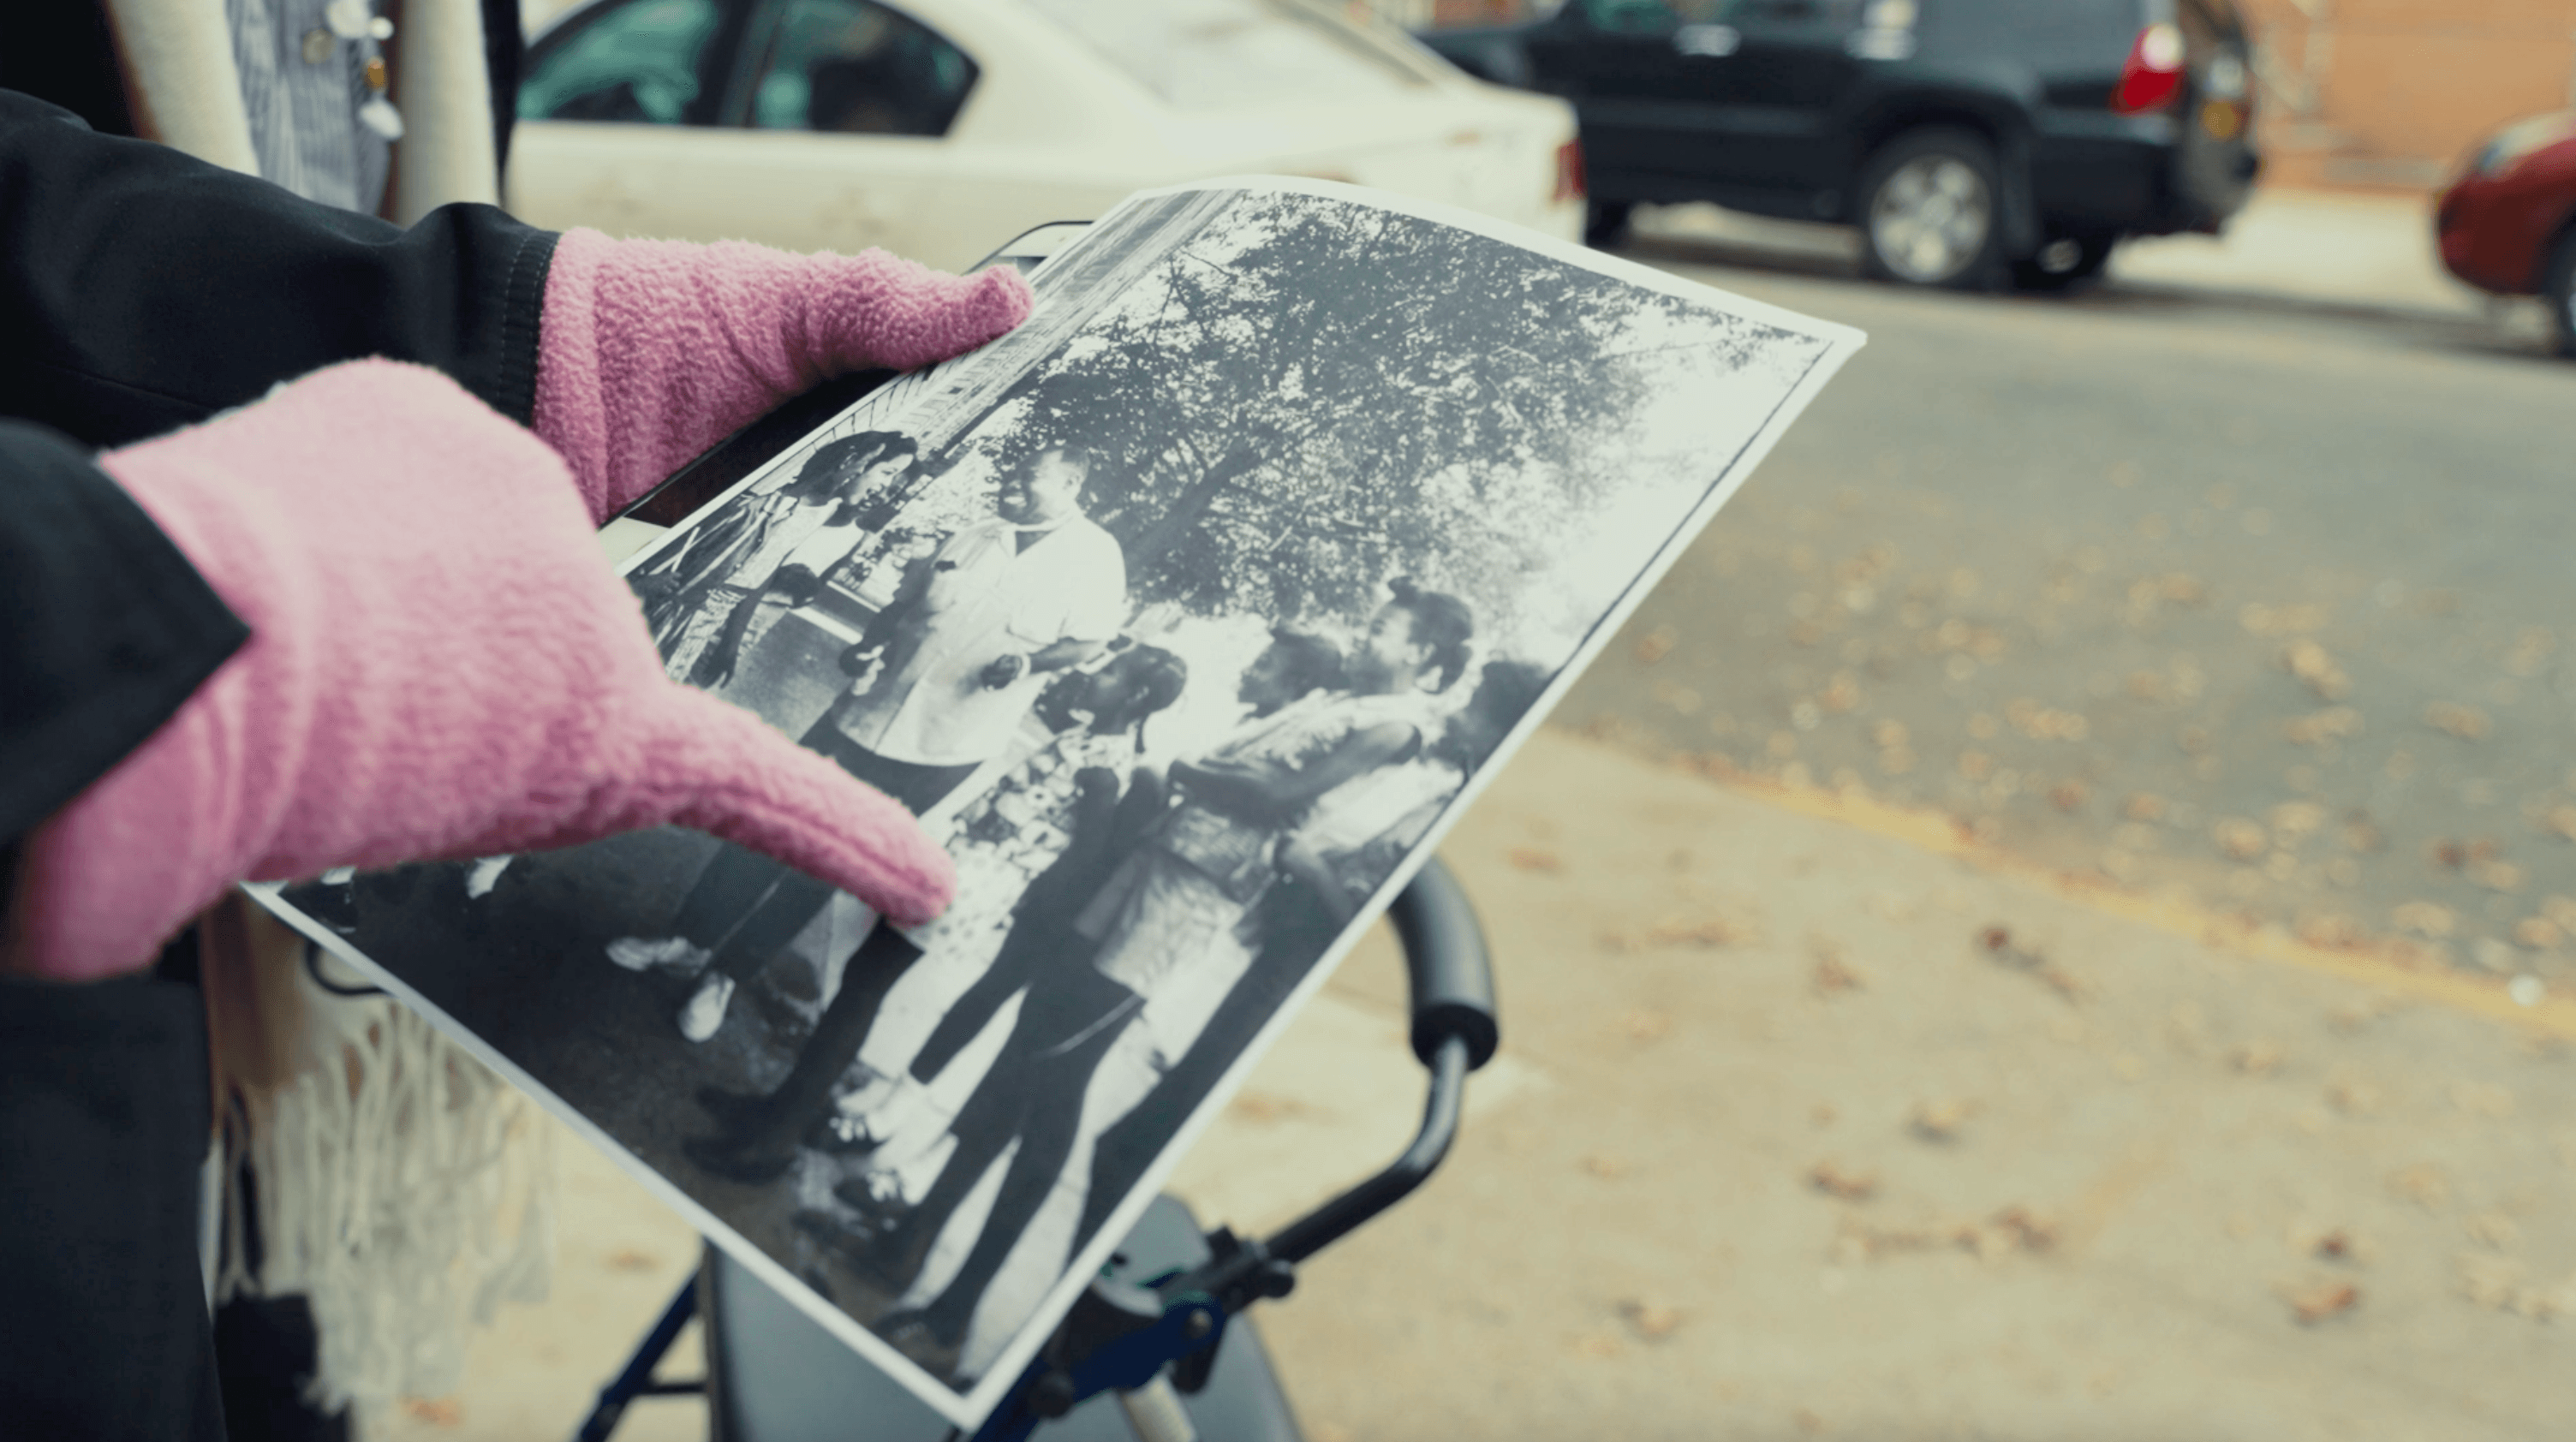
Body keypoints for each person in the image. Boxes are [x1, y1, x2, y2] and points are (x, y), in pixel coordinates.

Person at [0, 84, 1032, 1439]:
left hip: (170, 1011)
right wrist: (74, 623)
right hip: (79, 869)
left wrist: (549, 341)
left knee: (259, 1354)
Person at [862, 584, 1475, 1363]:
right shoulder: (1336, 699)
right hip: (1157, 858)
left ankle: (960, 1307)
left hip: (1185, 902)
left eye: (1386, 629)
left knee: (1056, 1082)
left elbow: (1277, 796)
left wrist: (1190, 765)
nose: (1367, 634)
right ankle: (910, 1240)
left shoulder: (1393, 729)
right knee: (1023, 1050)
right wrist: (1210, 777)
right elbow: (1250, 780)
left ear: (1422, 655)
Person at [604, 444, 1129, 1178]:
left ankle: (724, 975)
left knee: (827, 862)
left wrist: (1032, 665)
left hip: (942, 745)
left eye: (1030, 473)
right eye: (1013, 470)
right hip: (867, 711)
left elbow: (1091, 642)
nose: (1013, 478)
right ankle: (685, 939)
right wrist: (868, 649)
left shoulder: (1094, 558)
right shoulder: (977, 533)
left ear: (1071, 482)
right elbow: (911, 601)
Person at [637, 429, 915, 684]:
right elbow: (677, 544)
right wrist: (636, 582)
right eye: (887, 472)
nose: (885, 486)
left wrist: (731, 643)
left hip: (697, 632)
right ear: (853, 463)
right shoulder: (760, 506)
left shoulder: (822, 511)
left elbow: (761, 573)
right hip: (662, 620)